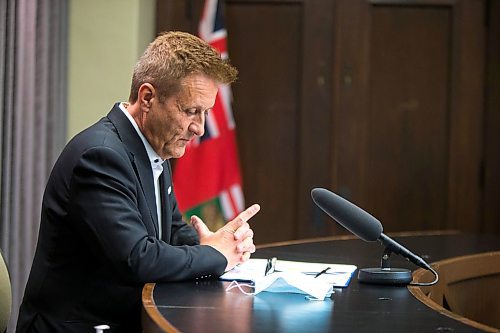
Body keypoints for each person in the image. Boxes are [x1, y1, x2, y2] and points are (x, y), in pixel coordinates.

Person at [16, 31, 259, 333]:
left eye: (206, 112)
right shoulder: (101, 156)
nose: (199, 128)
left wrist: (211, 241)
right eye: (190, 111)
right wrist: (214, 255)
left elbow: (169, 232)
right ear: (147, 98)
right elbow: (137, 257)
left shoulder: (154, 146)